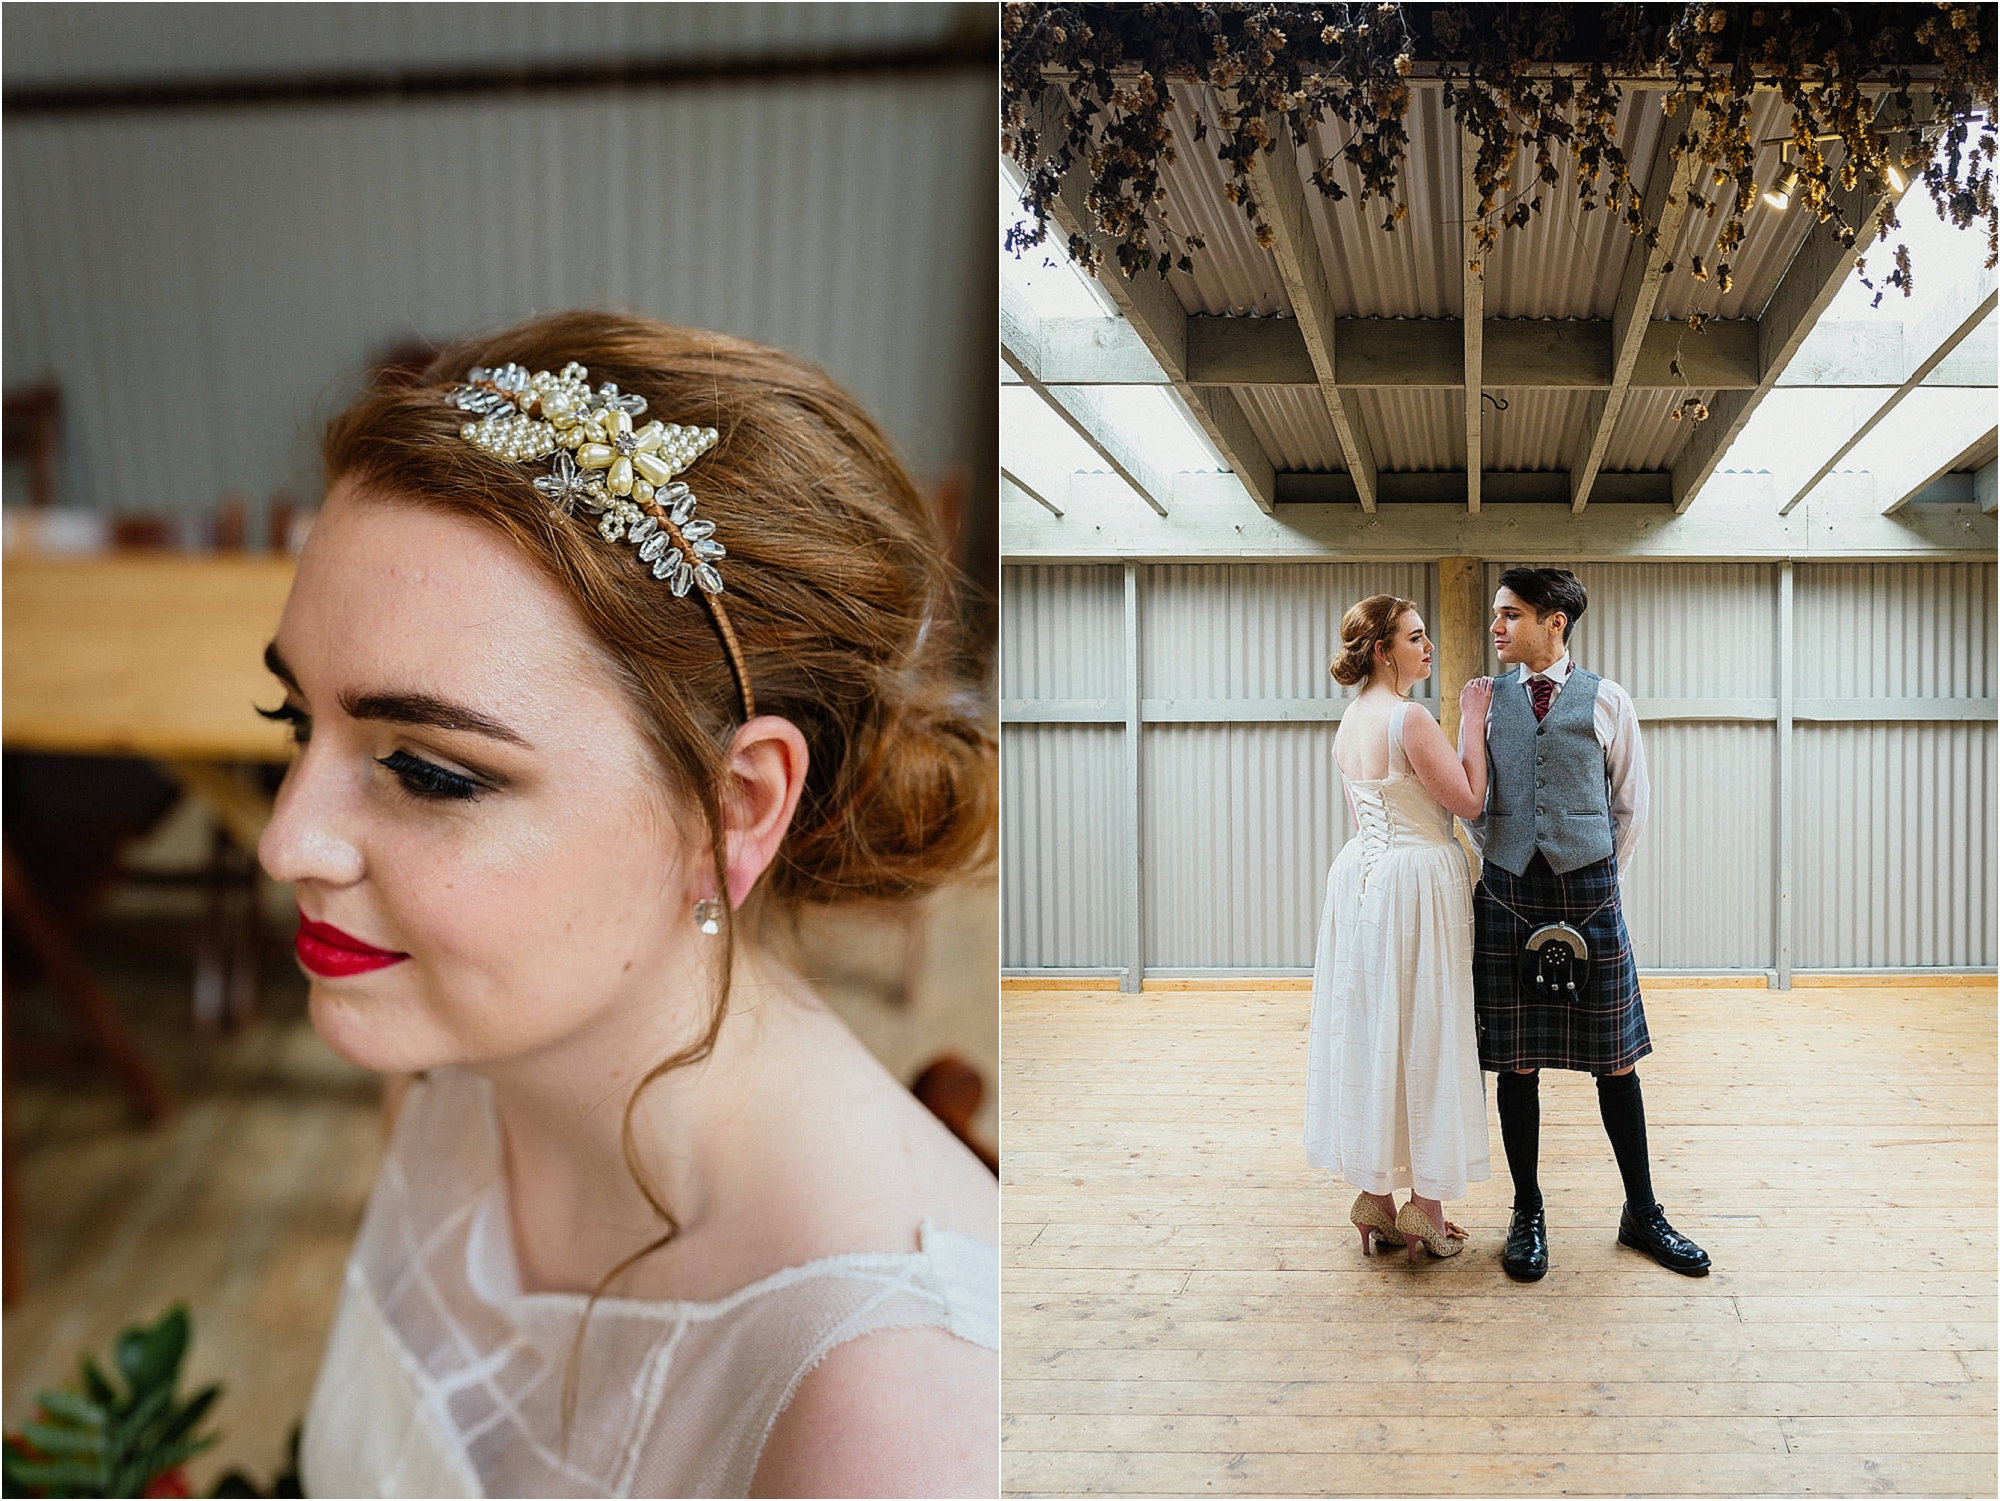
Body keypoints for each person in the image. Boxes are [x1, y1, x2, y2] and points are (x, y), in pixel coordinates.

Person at [256, 311, 999, 1497]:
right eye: (296, 723)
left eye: (430, 770)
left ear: (734, 808)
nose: (284, 838)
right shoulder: (460, 1064)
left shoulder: (899, 1423)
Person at [1466, 567, 1710, 1281]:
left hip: (1591, 895)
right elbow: (1473, 803)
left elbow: (1630, 806)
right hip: (1508, 897)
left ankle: (1642, 1210)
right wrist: (1510, 862)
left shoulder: (1608, 699)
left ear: (1554, 622)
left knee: (1615, 1058)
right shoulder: (1487, 703)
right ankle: (1527, 1210)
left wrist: (1597, 884)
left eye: (1510, 615)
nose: (1496, 627)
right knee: (1516, 1060)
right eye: (1495, 615)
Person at [1305, 595, 1493, 1262]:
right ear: (1384, 651)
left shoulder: (1350, 721)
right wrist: (1471, 719)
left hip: (1362, 879)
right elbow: (1468, 800)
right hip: (1416, 881)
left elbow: (1365, 819)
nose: (1429, 646)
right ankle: (1427, 1209)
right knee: (1425, 1027)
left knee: (1375, 1025)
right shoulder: (1410, 718)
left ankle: (1377, 1198)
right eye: (1416, 637)